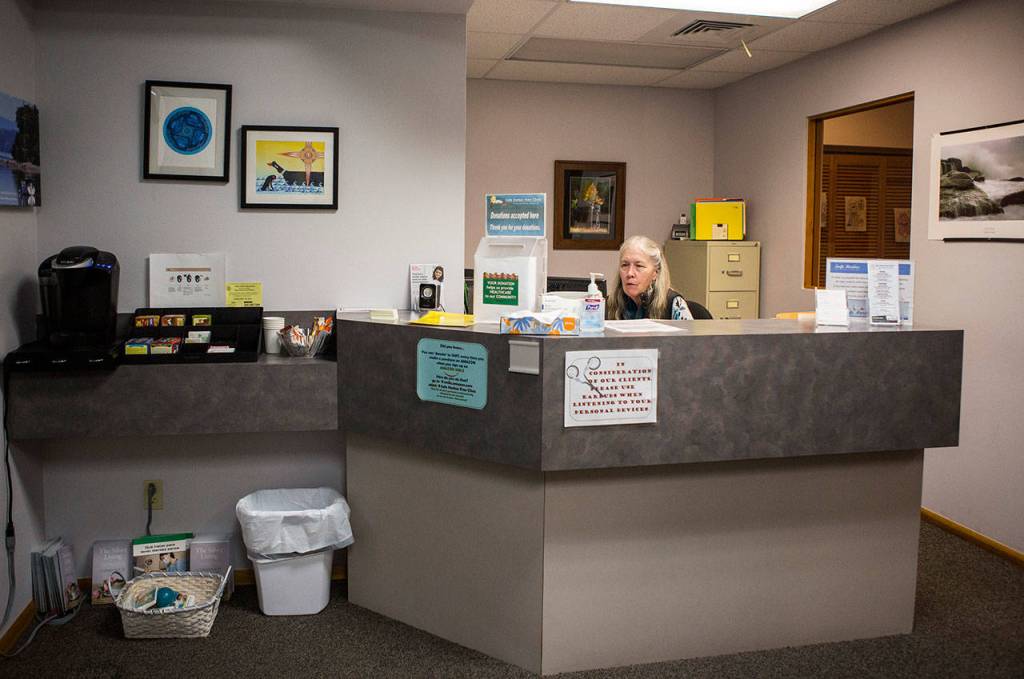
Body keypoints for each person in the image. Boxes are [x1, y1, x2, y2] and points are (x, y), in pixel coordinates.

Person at [606, 235, 694, 321]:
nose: (630, 273)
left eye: (639, 266)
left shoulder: (673, 303)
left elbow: (691, 335)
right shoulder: (608, 304)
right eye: (624, 265)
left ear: (655, 273)